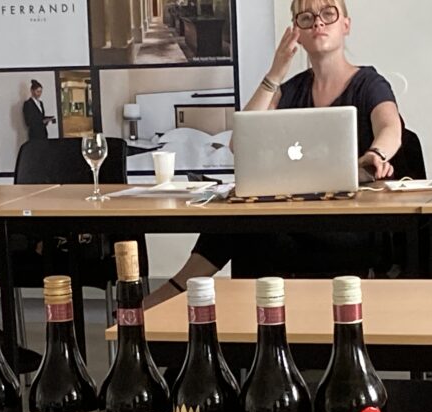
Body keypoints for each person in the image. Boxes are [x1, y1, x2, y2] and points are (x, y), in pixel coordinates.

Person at [144, 0, 404, 308]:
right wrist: (276, 71)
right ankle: (188, 294)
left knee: (243, 228)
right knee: (238, 216)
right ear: (296, 32)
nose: (318, 23)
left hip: (348, 224)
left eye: (328, 14)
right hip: (294, 219)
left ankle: (176, 289)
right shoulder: (290, 90)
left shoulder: (369, 84)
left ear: (345, 24)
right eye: (306, 18)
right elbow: (239, 143)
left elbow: (391, 127)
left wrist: (375, 153)